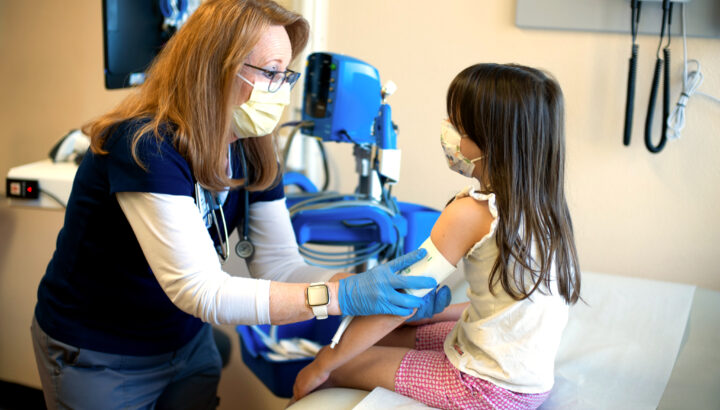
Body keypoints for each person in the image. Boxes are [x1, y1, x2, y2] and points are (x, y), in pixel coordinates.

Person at [30, 1, 450, 408]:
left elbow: (280, 266)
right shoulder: (146, 145)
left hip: (185, 341)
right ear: (214, 68)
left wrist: (369, 285)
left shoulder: (250, 148)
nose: (281, 90)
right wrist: (342, 295)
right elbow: (201, 290)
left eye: (285, 75)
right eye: (269, 72)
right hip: (99, 352)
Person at [292, 63, 582, 409]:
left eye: (458, 126)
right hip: (523, 379)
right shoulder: (545, 209)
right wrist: (436, 314)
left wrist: (321, 365)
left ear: (490, 138)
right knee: (393, 336)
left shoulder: (473, 213)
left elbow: (397, 304)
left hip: (486, 389)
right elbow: (507, 306)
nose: (448, 133)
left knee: (342, 366)